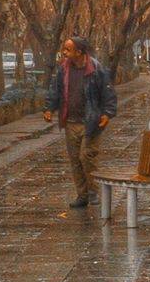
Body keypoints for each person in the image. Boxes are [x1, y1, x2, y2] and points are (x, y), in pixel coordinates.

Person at [44, 35, 117, 208]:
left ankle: (93, 192)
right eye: (64, 48)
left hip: (91, 122)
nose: (64, 52)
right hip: (71, 122)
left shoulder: (96, 69)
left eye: (68, 49)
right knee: (75, 159)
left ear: (79, 52)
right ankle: (82, 195)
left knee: (87, 156)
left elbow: (108, 93)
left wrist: (107, 113)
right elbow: (55, 90)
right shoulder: (63, 69)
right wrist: (49, 108)